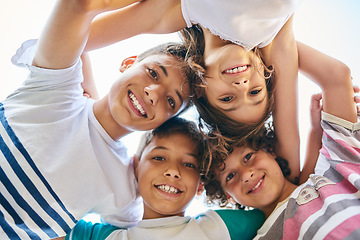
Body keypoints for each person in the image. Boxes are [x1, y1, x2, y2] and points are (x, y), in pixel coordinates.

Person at [0, 0, 200, 239]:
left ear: (164, 122)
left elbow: (147, 231)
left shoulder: (123, 189)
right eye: (153, 73)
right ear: (128, 63)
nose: (154, 93)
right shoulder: (55, 87)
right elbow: (78, 6)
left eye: (171, 102)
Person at [83, 0, 303, 183]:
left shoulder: (175, 11)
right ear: (265, 70)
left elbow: (76, 38)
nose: (242, 86)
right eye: (255, 92)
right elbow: (289, 163)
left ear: (201, 87)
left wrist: (90, 102)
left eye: (227, 99)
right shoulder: (272, 30)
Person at [203, 42, 360, 239]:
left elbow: (336, 77)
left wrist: (252, 43)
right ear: (228, 196)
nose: (246, 174)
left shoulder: (335, 167)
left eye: (249, 156)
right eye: (230, 176)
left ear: (270, 150)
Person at [53, 117, 265, 240]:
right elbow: (35, 218)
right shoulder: (102, 237)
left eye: (189, 164)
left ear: (200, 185)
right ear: (135, 167)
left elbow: (287, 202)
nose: (173, 171)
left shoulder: (220, 227)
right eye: (159, 157)